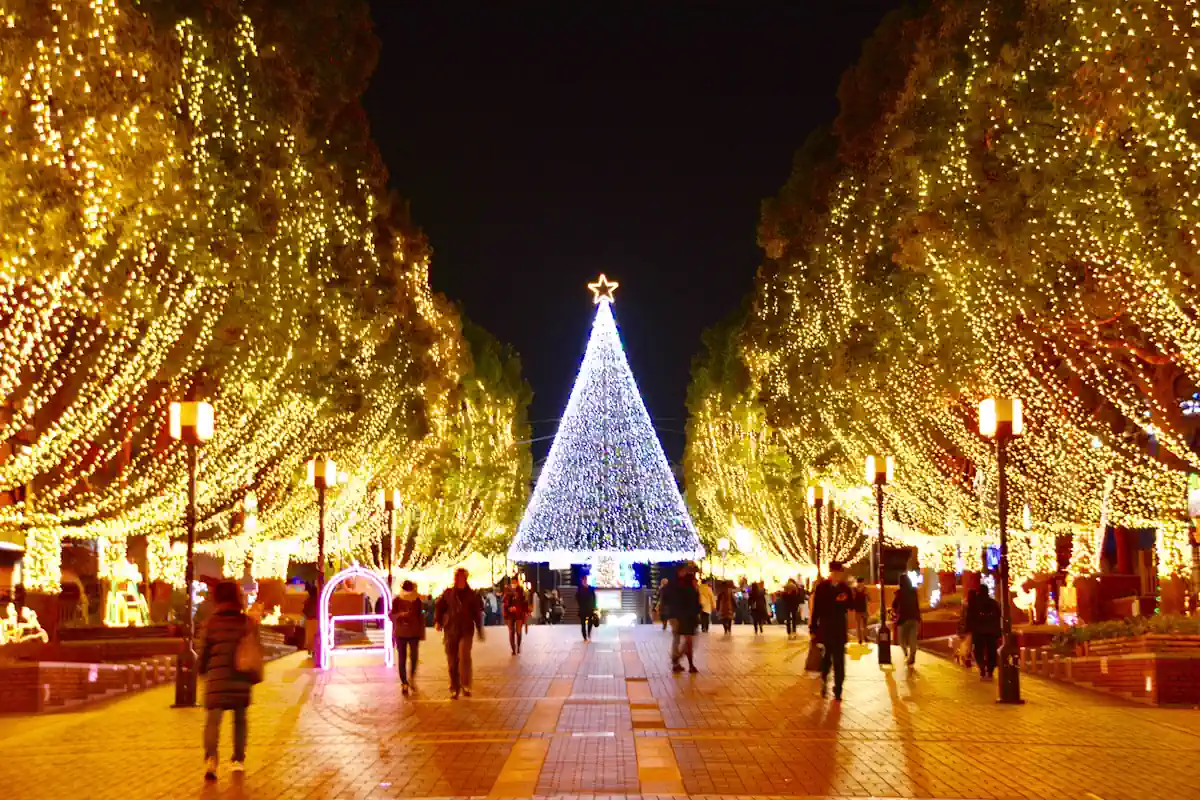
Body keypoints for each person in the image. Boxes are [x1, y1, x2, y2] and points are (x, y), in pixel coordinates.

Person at [198, 579, 258, 780]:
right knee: (240, 719)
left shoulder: (211, 624)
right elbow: (256, 649)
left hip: (217, 679)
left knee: (213, 720)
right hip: (240, 677)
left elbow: (203, 652)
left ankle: (211, 758)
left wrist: (201, 670)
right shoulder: (247, 623)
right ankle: (238, 759)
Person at [435, 568, 484, 698]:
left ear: (466, 579)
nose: (459, 579)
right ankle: (454, 687)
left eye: (462, 577)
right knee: (452, 660)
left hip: (466, 630)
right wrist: (438, 621)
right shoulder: (448, 593)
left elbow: (477, 613)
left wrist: (479, 629)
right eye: (457, 577)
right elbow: (440, 607)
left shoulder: (471, 595)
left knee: (464, 656)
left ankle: (466, 684)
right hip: (451, 630)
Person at [810, 562, 852, 701]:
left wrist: (848, 598)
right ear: (831, 573)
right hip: (826, 628)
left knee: (840, 661)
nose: (837, 575)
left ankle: (838, 688)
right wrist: (813, 628)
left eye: (839, 573)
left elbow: (851, 604)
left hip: (839, 629)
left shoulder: (844, 588)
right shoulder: (822, 588)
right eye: (835, 573)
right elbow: (816, 609)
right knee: (827, 657)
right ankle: (824, 678)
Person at [390, 580, 425, 694]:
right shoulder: (397, 600)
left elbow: (420, 616)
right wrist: (401, 615)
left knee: (413, 657)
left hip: (413, 632)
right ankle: (405, 681)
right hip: (401, 632)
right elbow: (391, 615)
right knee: (403, 658)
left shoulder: (417, 601)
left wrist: (421, 632)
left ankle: (411, 678)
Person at [967, 583, 1002, 679]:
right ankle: (990, 670)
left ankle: (982, 668)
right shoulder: (993, 603)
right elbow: (998, 617)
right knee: (992, 651)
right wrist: (998, 632)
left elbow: (970, 617)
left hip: (978, 632)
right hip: (991, 632)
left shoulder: (974, 603)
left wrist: (969, 629)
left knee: (978, 651)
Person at [669, 568, 701, 673]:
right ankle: (687, 663)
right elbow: (696, 606)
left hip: (684, 619)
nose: (696, 582)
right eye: (695, 580)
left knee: (688, 643)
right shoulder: (692, 591)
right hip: (689, 619)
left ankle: (681, 660)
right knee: (689, 643)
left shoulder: (682, 590)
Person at [892, 574, 921, 667]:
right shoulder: (914, 591)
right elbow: (917, 605)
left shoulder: (899, 593)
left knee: (901, 640)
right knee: (913, 639)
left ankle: (905, 653)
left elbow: (894, 605)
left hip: (903, 619)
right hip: (914, 618)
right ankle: (912, 655)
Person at [503, 580, 530, 654]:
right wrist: (507, 611)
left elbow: (525, 602)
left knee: (518, 632)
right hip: (510, 615)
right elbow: (505, 603)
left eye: (515, 582)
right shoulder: (507, 590)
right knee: (511, 632)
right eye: (513, 582)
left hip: (519, 615)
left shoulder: (521, 590)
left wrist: (526, 612)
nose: (514, 583)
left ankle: (518, 647)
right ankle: (513, 650)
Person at [577, 574, 597, 641]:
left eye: (586, 579)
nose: (585, 581)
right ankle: (584, 637)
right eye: (584, 579)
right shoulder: (579, 589)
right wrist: (580, 604)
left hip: (590, 609)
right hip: (583, 609)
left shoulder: (591, 588)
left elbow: (594, 598)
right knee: (583, 624)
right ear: (582, 580)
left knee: (590, 623)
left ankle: (589, 633)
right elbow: (577, 598)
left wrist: (594, 607)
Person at [849, 577, 869, 645]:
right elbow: (868, 598)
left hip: (861, 609)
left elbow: (867, 598)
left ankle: (862, 638)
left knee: (861, 625)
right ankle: (862, 638)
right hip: (861, 609)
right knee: (862, 625)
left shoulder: (856, 589)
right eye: (862, 582)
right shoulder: (862, 589)